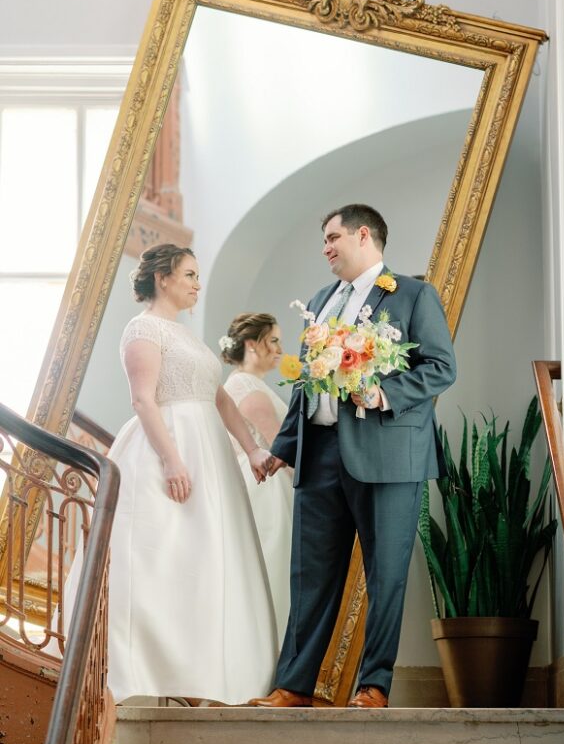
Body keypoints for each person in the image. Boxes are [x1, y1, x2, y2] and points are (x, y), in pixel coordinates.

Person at [249, 204, 457, 709]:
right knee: (310, 573)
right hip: (318, 454)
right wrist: (283, 448)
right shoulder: (320, 300)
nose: (326, 247)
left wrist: (383, 394)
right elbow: (307, 382)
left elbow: (441, 367)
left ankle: (373, 686)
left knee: (385, 575)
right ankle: (294, 686)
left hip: (388, 456)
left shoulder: (412, 295)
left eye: (332, 237)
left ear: (364, 235)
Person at [104, 243, 278, 705]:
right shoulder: (142, 329)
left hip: (211, 451)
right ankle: (154, 672)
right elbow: (143, 399)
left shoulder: (188, 336)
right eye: (189, 274)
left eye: (198, 276)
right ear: (162, 278)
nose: (198, 284)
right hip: (171, 446)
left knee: (210, 557)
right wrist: (171, 459)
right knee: (165, 556)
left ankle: (210, 676)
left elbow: (219, 398)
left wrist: (253, 450)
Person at [222, 313, 294, 645]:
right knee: (272, 569)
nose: (280, 349)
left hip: (256, 487)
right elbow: (282, 450)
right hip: (267, 491)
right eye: (274, 340)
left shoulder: (241, 385)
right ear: (252, 344)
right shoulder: (249, 391)